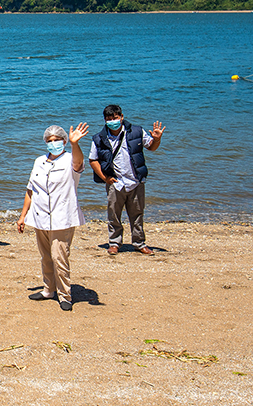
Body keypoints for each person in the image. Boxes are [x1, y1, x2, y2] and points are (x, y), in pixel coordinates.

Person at [17, 123, 89, 312]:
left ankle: (65, 295)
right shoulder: (39, 161)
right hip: (39, 216)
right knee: (46, 256)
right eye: (50, 140)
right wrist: (23, 215)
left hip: (62, 217)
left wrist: (75, 144)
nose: (54, 143)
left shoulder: (70, 159)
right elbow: (30, 189)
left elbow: (79, 164)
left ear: (64, 141)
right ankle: (48, 289)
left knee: (60, 256)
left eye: (57, 140)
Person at [88, 105, 165, 256]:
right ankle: (114, 243)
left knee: (137, 214)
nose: (112, 121)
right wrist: (105, 178)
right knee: (114, 215)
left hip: (135, 180)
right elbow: (93, 159)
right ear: (105, 120)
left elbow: (151, 147)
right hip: (115, 182)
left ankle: (139, 243)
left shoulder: (136, 131)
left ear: (122, 117)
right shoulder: (99, 138)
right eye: (109, 119)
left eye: (115, 118)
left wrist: (157, 139)